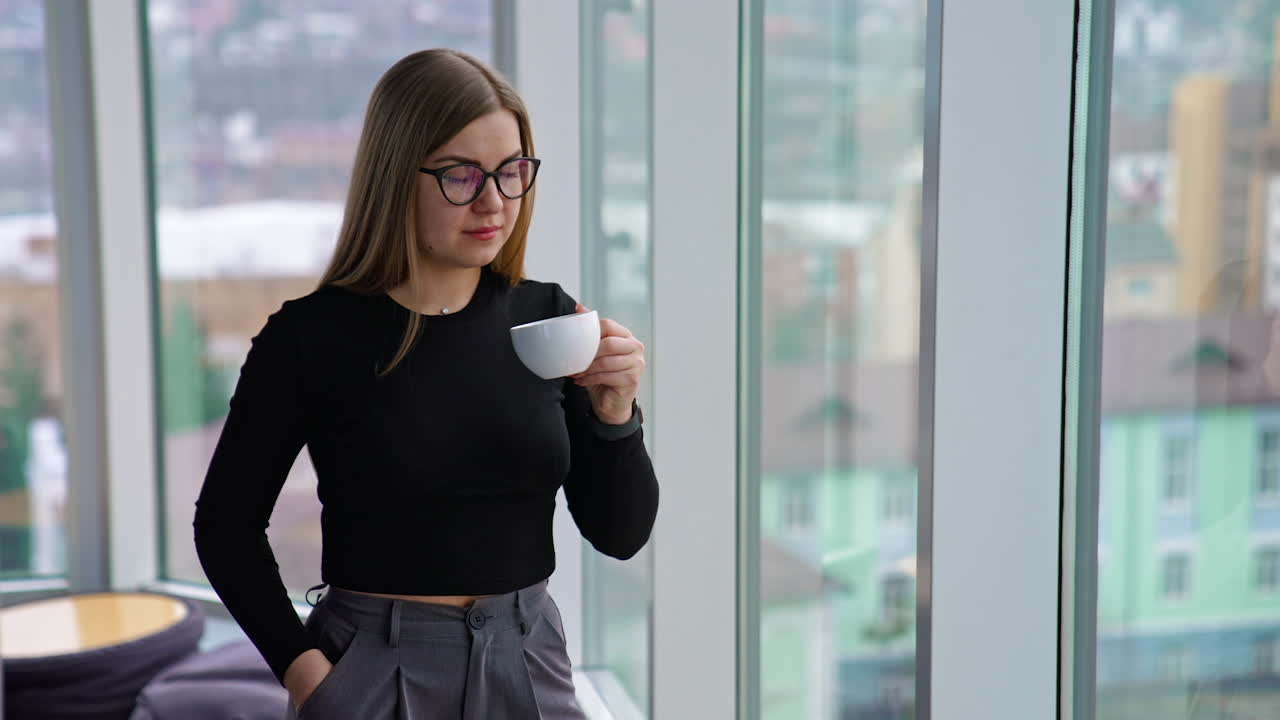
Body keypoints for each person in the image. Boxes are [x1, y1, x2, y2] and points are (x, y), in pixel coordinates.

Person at [192, 48, 659, 720]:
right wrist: (306, 675)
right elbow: (226, 525)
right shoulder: (312, 336)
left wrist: (616, 417)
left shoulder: (550, 319)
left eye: (512, 171)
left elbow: (621, 534)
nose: (494, 201)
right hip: (370, 670)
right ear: (395, 175)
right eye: (463, 176)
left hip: (528, 659)